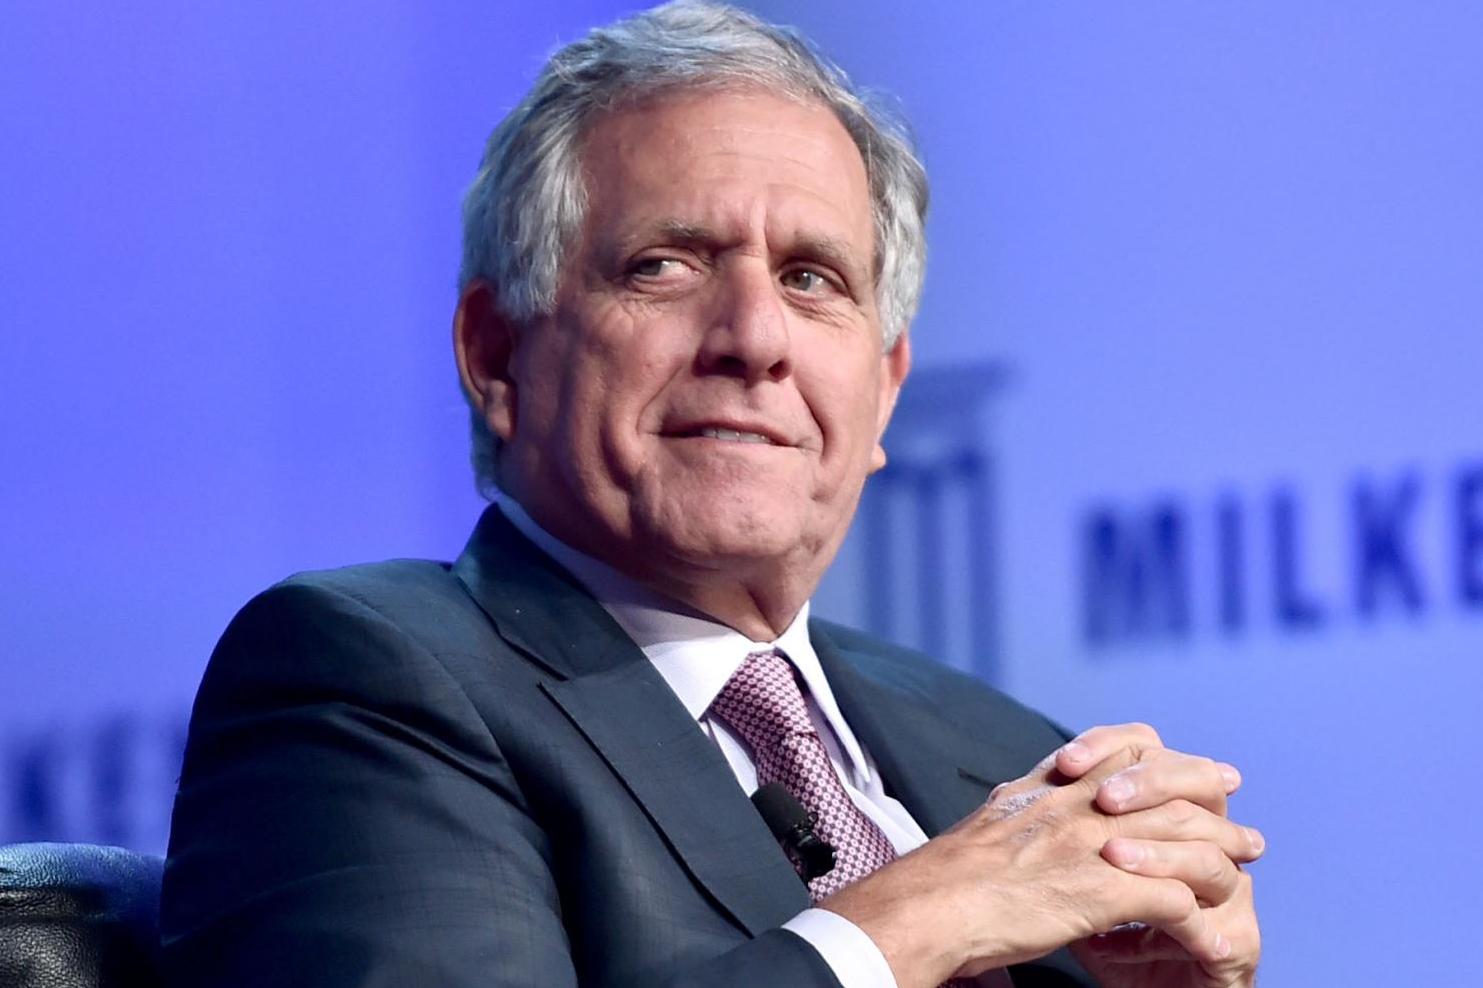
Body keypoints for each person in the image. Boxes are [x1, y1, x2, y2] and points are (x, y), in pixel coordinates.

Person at [159, 3, 1262, 987]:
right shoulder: (365, 680)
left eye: (810, 278)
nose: (753, 339)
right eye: (665, 264)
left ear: (882, 394)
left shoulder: (1006, 750)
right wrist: (913, 922)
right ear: (498, 354)